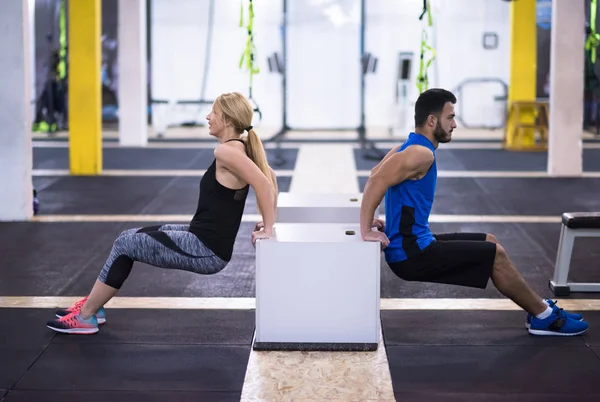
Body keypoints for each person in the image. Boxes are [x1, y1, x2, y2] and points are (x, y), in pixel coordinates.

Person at [359, 88, 588, 336]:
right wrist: (365, 229)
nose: (454, 124)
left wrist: (372, 219)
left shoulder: (408, 145)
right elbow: (376, 181)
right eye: (450, 117)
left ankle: (539, 308)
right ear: (432, 120)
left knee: (490, 241)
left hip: (414, 245)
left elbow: (374, 174)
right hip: (412, 254)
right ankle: (544, 317)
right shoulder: (421, 153)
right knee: (495, 254)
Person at [46, 92, 278, 334]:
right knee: (128, 237)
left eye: (214, 113)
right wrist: (269, 219)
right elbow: (271, 178)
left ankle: (86, 316)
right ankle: (94, 305)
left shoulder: (226, 152)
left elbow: (263, 183)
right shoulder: (242, 150)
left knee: (126, 244)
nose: (208, 117)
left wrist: (269, 227)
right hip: (200, 239)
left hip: (205, 250)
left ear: (227, 120)